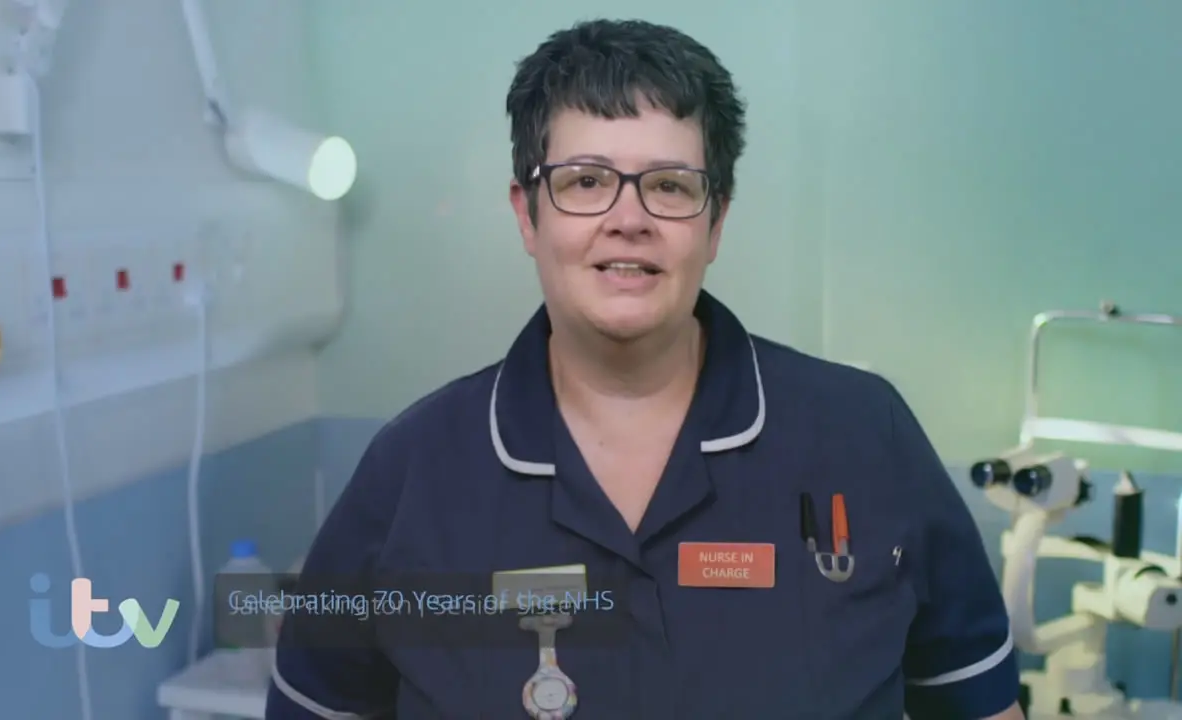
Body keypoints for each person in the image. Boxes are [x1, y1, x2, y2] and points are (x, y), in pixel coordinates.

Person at [267, 18, 1023, 719]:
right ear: (528, 214)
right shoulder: (412, 473)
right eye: (585, 181)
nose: (628, 219)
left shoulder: (865, 437)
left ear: (716, 222)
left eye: (668, 185)